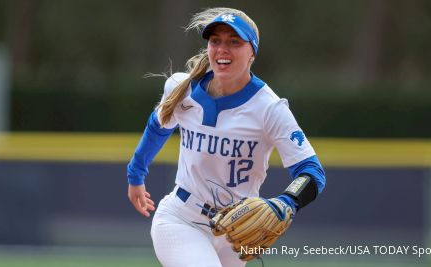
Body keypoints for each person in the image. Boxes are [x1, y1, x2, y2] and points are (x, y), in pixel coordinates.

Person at [127, 7, 326, 267]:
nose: (222, 49)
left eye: (234, 42)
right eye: (215, 41)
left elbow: (312, 172)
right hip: (181, 219)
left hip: (236, 231)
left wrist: (285, 203)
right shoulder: (181, 88)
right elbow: (158, 126)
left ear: (252, 52)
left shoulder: (269, 108)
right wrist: (135, 175)